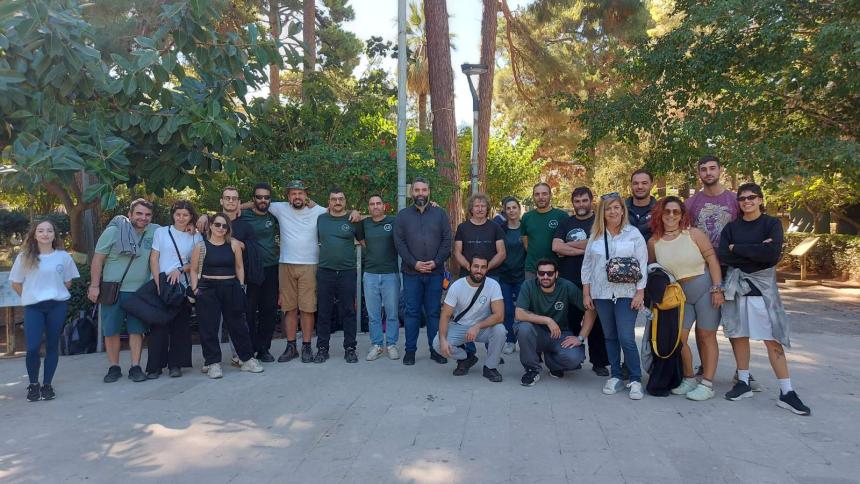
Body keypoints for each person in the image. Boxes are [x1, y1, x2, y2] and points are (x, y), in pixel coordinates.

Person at [719, 183, 810, 415]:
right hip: (737, 290)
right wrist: (754, 249)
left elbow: (771, 255)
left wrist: (738, 248)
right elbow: (725, 255)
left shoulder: (771, 224)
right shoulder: (731, 228)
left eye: (751, 197)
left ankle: (787, 392)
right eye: (742, 198)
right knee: (738, 336)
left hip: (763, 292)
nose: (747, 202)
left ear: (760, 199)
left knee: (772, 340)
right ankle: (743, 382)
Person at [686, 155, 761, 389]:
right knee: (704, 326)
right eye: (703, 169)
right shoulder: (691, 203)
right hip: (702, 269)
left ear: (720, 170)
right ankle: (704, 366)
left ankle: (743, 373)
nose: (708, 173)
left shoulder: (734, 200)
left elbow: (750, 225)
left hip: (732, 270)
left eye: (712, 168)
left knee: (735, 324)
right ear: (699, 173)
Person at [648, 196, 724, 401]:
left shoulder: (694, 234)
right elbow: (653, 269)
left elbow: (712, 260)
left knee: (707, 336)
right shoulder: (654, 242)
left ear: (682, 215)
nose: (671, 215)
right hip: (680, 295)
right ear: (660, 214)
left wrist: (717, 288)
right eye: (667, 211)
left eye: (676, 211)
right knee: (679, 339)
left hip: (705, 288)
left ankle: (707, 384)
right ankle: (689, 378)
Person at [582, 192, 648, 400]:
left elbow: (642, 265)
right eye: (609, 208)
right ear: (603, 212)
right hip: (601, 293)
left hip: (626, 293)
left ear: (622, 210)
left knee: (626, 337)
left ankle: (635, 379)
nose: (613, 212)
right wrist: (586, 293)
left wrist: (640, 292)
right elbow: (587, 266)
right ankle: (616, 376)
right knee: (609, 336)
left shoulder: (633, 234)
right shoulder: (596, 236)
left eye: (616, 207)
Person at [89, 199, 158, 383]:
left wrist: (194, 226)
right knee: (111, 330)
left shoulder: (155, 231)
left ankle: (135, 366)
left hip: (139, 292)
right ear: (130, 214)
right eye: (139, 213)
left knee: (137, 330)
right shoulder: (113, 232)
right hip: (113, 290)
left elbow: (178, 230)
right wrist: (94, 286)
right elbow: (98, 259)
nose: (143, 218)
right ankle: (114, 367)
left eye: (147, 215)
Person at [10, 220, 80, 402]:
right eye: (41, 231)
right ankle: (33, 384)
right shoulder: (24, 257)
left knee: (52, 346)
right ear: (34, 234)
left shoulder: (63, 257)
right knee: (32, 347)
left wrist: (52, 291)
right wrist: (31, 295)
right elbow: (16, 283)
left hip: (57, 306)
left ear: (54, 235)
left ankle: (47, 385)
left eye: (49, 231)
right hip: (34, 307)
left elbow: (68, 282)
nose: (45, 234)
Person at [190, 213, 263, 378]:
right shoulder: (201, 246)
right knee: (209, 327)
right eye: (217, 224)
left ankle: (247, 359)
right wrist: (195, 289)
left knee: (239, 326)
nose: (221, 228)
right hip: (208, 289)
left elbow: (239, 267)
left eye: (224, 226)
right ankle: (213, 363)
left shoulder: (233, 244)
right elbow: (193, 270)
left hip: (231, 287)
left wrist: (241, 286)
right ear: (211, 225)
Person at [267, 180, 328, 363]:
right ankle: (291, 346)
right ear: (288, 196)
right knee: (289, 308)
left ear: (306, 195)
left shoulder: (317, 210)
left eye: (300, 193)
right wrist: (238, 207)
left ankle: (307, 346)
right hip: (286, 264)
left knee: (307, 308)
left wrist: (355, 213)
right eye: (293, 193)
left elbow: (338, 211)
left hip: (309, 265)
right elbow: (257, 203)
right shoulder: (280, 208)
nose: (297, 196)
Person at [393, 177, 452, 366]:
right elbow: (399, 243)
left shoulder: (440, 214)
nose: (420, 193)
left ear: (429, 191)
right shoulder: (403, 216)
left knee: (434, 313)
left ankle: (435, 350)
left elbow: (447, 241)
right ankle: (410, 351)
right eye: (417, 190)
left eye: (424, 190)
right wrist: (414, 263)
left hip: (435, 273)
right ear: (412, 193)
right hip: (411, 273)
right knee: (411, 313)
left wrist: (436, 262)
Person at [552, 186, 610, 377]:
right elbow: (556, 246)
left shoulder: (600, 221)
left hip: (596, 279)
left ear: (591, 201)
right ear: (573, 203)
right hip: (569, 279)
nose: (581, 204)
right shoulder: (565, 222)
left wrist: (568, 246)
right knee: (570, 321)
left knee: (597, 323)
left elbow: (600, 243)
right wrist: (588, 249)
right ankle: (572, 358)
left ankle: (599, 362)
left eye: (584, 200)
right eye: (577, 201)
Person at [515, 258, 597, 387]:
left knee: (575, 359)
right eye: (541, 273)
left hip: (560, 333)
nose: (545, 277)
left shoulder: (566, 286)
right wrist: (548, 320)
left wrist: (580, 337)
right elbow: (519, 313)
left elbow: (591, 309)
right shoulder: (528, 285)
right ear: (537, 274)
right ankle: (532, 369)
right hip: (536, 334)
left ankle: (553, 363)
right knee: (523, 328)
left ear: (556, 274)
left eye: (549, 273)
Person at [146, 200, 201, 379]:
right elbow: (154, 258)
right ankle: (155, 366)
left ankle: (176, 364)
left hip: (181, 287)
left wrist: (180, 270)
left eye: (185, 215)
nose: (181, 218)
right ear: (173, 215)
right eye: (178, 214)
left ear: (191, 216)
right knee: (158, 327)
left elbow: (197, 263)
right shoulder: (161, 232)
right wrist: (158, 282)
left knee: (180, 327)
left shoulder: (196, 236)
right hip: (161, 284)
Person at [433, 255, 506, 382]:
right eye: (476, 266)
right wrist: (443, 340)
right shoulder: (457, 286)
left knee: (500, 330)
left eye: (483, 267)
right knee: (438, 344)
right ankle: (466, 357)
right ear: (469, 267)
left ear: (487, 269)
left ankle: (490, 367)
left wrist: (477, 326)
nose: (479, 270)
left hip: (483, 327)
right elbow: (445, 315)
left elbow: (499, 316)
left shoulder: (493, 285)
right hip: (460, 326)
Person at [314, 187, 362, 363]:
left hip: (347, 271)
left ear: (345, 201)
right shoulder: (320, 219)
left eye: (340, 199)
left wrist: (357, 212)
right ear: (329, 202)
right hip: (325, 271)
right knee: (324, 311)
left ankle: (350, 348)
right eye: (334, 199)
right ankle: (322, 349)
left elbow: (364, 240)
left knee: (349, 311)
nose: (337, 202)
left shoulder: (353, 219)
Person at [239, 183, 280, 362]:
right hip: (251, 269)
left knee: (269, 310)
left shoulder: (274, 215)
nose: (263, 200)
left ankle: (264, 349)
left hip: (271, 267)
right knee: (248, 310)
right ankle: (249, 349)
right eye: (259, 197)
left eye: (266, 197)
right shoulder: (243, 215)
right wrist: (203, 217)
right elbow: (223, 216)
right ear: (253, 198)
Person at [360, 195, 401, 361]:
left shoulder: (394, 221)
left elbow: (412, 220)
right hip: (370, 274)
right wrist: (355, 213)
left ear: (384, 206)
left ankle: (391, 344)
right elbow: (361, 239)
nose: (375, 206)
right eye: (372, 204)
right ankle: (377, 345)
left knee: (392, 313)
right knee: (373, 314)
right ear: (369, 207)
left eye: (378, 203)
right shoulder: (364, 223)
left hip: (390, 274)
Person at [495, 196, 525, 355]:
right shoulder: (500, 229)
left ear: (519, 209)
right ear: (504, 211)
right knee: (507, 310)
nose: (512, 211)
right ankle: (510, 340)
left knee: (523, 310)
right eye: (508, 208)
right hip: (504, 275)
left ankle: (524, 340)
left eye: (514, 207)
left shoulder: (525, 228)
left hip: (522, 275)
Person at [521, 182, 568, 279]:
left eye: (544, 194)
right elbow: (526, 242)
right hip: (532, 269)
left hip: (555, 269)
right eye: (537, 194)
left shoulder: (562, 216)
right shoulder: (526, 217)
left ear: (550, 195)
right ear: (533, 197)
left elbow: (567, 242)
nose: (540, 197)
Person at [453, 192, 505, 278]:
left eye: (483, 206)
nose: (480, 209)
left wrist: (486, 268)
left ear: (487, 208)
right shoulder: (462, 227)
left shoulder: (495, 227)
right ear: (471, 209)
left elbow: (502, 253)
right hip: (467, 274)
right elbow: (457, 252)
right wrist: (468, 267)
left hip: (491, 275)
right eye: (476, 206)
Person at [626, 169, 657, 241]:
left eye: (644, 183)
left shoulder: (660, 210)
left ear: (651, 185)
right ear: (631, 185)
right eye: (635, 183)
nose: (640, 187)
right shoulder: (620, 210)